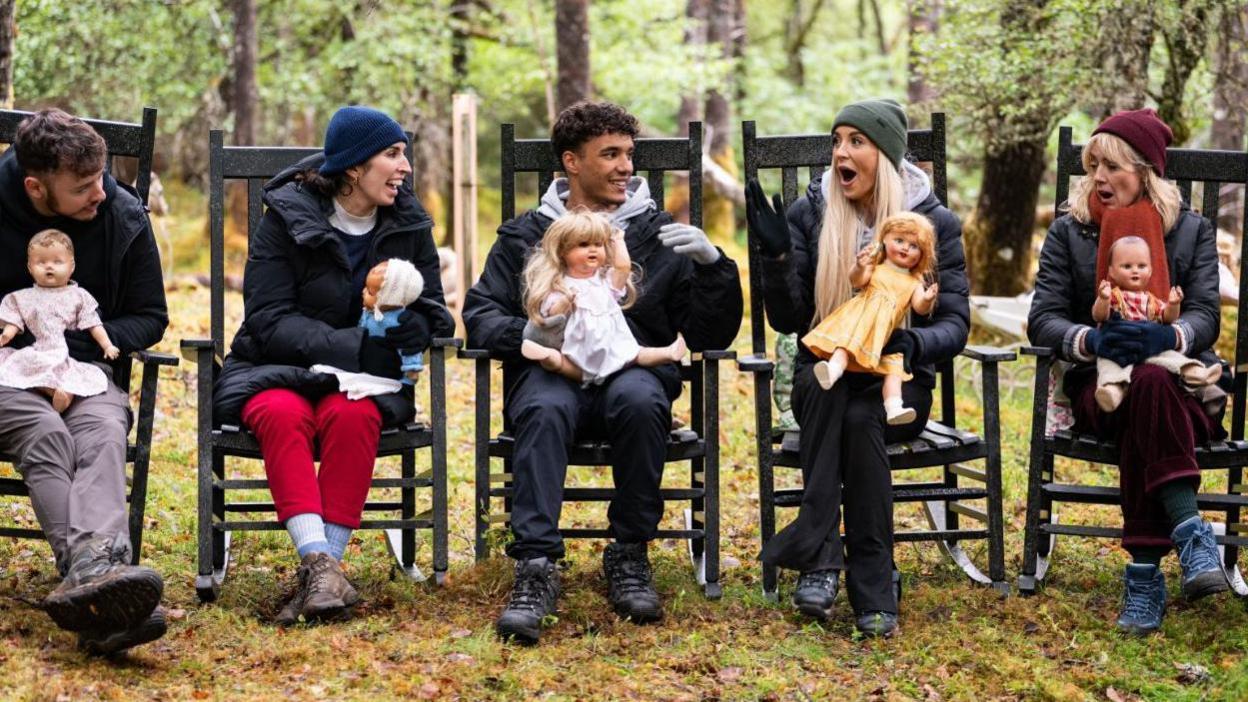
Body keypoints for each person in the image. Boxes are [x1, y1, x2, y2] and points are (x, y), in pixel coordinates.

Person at [463, 100, 742, 645]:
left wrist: (714, 268)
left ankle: (630, 554)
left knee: (640, 401)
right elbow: (480, 313)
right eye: (609, 155)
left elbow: (710, 335)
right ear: (571, 161)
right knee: (542, 408)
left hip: (633, 371)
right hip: (552, 374)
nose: (624, 167)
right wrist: (532, 342)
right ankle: (536, 567)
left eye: (629, 155)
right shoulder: (526, 235)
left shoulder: (659, 237)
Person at [211, 105, 453, 625]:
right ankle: (322, 566)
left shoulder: (409, 222)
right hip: (276, 367)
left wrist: (418, 327)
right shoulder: (286, 219)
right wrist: (353, 346)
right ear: (353, 168)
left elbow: (435, 310)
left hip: (366, 384)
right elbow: (269, 319)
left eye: (403, 154)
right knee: (279, 415)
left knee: (353, 418)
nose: (405, 166)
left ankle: (324, 569)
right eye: (392, 154)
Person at [746, 98, 970, 638]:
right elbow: (791, 318)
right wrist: (776, 261)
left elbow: (955, 325)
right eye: (836, 141)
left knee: (860, 416)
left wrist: (907, 346)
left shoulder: (932, 226)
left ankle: (821, 555)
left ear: (886, 156)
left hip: (897, 382)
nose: (839, 153)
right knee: (833, 397)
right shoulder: (811, 213)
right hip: (825, 367)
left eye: (855, 142)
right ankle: (870, 581)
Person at [1028, 108, 1229, 636]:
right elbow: (1042, 320)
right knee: (1141, 389)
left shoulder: (1191, 231)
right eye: (1093, 165)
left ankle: (1144, 576)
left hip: (1183, 388)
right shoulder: (1071, 232)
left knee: (1155, 381)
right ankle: (1190, 532)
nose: (1098, 178)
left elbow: (1206, 313)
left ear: (1145, 171)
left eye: (1112, 166)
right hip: (1102, 391)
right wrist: (1091, 339)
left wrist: (1171, 335)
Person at [0, 109, 168, 655]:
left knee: (98, 433)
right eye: (81, 187)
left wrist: (73, 351)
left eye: (101, 177)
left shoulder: (122, 214)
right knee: (46, 434)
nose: (100, 192)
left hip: (88, 376)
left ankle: (93, 579)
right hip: (6, 377)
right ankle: (99, 582)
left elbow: (150, 314)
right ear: (36, 187)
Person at [519, 210, 687, 384]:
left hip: (612, 343)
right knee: (563, 364)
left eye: (598, 244)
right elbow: (553, 316)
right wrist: (564, 302)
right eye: (583, 245)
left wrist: (619, 241)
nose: (593, 249)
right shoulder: (560, 285)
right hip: (578, 348)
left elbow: (623, 268)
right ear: (562, 251)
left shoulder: (604, 281)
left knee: (637, 354)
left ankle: (669, 352)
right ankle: (548, 357)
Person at [802, 212, 939, 425]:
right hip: (861, 320)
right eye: (899, 240)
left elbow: (919, 307)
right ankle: (833, 370)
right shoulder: (877, 268)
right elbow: (857, 281)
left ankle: (894, 408)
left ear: (922, 255)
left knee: (894, 369)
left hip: (885, 336)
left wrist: (928, 299)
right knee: (846, 344)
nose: (905, 248)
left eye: (914, 247)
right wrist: (859, 265)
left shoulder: (914, 282)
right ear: (884, 239)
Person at [0, 229, 121, 413]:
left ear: (71, 266)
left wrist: (107, 345)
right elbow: (15, 319)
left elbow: (93, 324)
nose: (49, 266)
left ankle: (65, 394)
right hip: (37, 349)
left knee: (69, 373)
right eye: (41, 262)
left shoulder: (79, 296)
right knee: (24, 365)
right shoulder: (23, 297)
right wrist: (7, 334)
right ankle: (52, 390)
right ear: (30, 268)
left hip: (66, 352)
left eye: (57, 262)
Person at [1091, 237, 1212, 412]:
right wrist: (1103, 299)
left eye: (1141, 266)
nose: (1135, 271)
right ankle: (1112, 391)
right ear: (1112, 271)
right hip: (1116, 347)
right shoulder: (1113, 296)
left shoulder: (1151, 300)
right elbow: (1098, 316)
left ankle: (1194, 372)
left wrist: (1173, 304)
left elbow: (1167, 318)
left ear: (1150, 271)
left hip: (1146, 345)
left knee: (1170, 355)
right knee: (1108, 367)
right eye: (1127, 266)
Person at [360, 257, 426, 383]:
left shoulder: (400, 322)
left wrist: (412, 369)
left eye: (369, 291)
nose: (363, 292)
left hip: (392, 377)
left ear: (387, 299)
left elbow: (409, 347)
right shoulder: (368, 312)